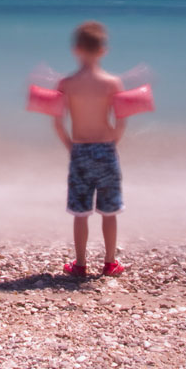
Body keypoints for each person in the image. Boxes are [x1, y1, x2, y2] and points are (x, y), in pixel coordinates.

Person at [53, 21, 126, 278]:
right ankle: (110, 263)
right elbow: (121, 120)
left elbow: (58, 122)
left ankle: (81, 265)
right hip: (106, 149)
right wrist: (112, 144)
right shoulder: (113, 83)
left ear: (76, 49)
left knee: (81, 212)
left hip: (80, 150)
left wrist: (70, 146)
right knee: (109, 211)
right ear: (103, 51)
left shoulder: (66, 83)